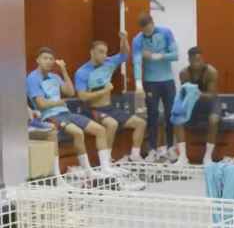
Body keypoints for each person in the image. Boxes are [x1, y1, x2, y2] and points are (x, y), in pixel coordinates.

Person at [27, 47, 109, 177]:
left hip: (66, 112)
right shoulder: (32, 78)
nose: (48, 61)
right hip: (49, 116)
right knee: (78, 132)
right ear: (38, 60)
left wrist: (64, 70)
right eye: (45, 58)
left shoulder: (55, 76)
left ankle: (106, 169)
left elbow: (70, 92)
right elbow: (41, 104)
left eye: (51, 59)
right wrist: (57, 103)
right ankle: (87, 171)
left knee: (100, 130)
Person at [75, 32, 147, 164]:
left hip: (109, 108)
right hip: (93, 110)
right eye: (101, 52)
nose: (104, 55)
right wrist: (105, 90)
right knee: (112, 124)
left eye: (106, 52)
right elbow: (83, 96)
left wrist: (124, 39)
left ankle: (135, 156)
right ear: (92, 52)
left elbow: (125, 54)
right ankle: (106, 161)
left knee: (140, 123)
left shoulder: (109, 62)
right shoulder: (82, 72)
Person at [132, 13, 179, 163]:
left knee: (170, 115)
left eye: (149, 29)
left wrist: (155, 56)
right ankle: (152, 149)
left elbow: (175, 55)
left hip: (167, 81)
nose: (147, 32)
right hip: (150, 82)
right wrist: (138, 83)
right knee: (152, 116)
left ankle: (171, 147)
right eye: (144, 30)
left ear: (153, 23)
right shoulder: (137, 40)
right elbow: (137, 62)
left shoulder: (165, 32)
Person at [173, 47, 220, 165]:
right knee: (177, 120)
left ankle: (208, 157)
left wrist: (198, 94)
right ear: (189, 60)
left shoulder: (211, 72)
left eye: (199, 59)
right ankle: (183, 157)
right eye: (194, 60)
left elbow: (211, 95)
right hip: (193, 104)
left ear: (203, 59)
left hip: (210, 102)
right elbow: (184, 95)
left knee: (213, 120)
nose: (197, 62)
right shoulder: (184, 73)